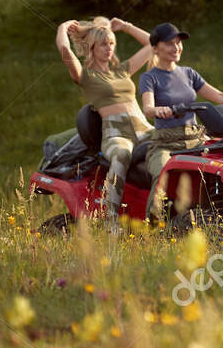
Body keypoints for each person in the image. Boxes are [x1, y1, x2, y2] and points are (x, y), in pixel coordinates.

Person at [138, 21, 223, 222]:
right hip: (166, 145)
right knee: (162, 171)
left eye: (178, 42)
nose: (176, 47)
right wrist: (158, 110)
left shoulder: (189, 73)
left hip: (196, 141)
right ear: (155, 48)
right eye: (170, 43)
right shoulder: (149, 77)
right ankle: (153, 226)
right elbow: (147, 108)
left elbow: (220, 96)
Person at [55, 16, 156, 219]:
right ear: (92, 47)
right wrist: (62, 28)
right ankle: (110, 219)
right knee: (121, 155)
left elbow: (153, 44)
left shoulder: (122, 71)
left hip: (143, 128)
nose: (109, 48)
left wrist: (126, 26)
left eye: (112, 44)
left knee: (179, 141)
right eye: (103, 44)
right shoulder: (86, 76)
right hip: (116, 135)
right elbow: (66, 51)